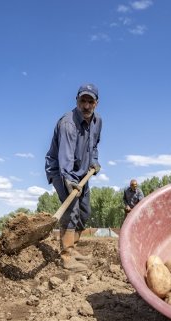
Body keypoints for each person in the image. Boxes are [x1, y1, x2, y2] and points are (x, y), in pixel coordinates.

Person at [45, 83, 102, 272]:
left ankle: (74, 248)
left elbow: (93, 146)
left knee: (84, 211)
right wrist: (69, 180)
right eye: (82, 101)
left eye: (90, 101)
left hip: (83, 171)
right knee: (72, 209)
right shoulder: (68, 124)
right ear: (76, 101)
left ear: (96, 103)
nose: (86, 106)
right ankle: (66, 256)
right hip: (61, 170)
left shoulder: (97, 121)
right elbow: (66, 157)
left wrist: (94, 161)